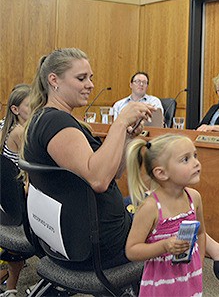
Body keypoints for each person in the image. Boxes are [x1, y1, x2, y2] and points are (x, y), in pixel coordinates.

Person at [23, 48, 156, 270]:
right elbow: (99, 180)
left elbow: (114, 172)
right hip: (99, 246)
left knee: (149, 202)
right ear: (54, 80)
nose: (91, 84)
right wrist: (120, 122)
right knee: (177, 203)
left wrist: (126, 136)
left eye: (90, 78)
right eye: (81, 78)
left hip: (76, 239)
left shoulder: (47, 119)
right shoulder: (55, 123)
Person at [125, 134, 206, 296]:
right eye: (185, 159)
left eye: (195, 156)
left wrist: (199, 265)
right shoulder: (150, 207)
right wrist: (163, 246)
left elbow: (201, 233)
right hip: (160, 286)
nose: (196, 163)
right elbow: (132, 250)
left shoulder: (194, 198)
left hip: (190, 282)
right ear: (161, 173)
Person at [0, 84, 31, 297]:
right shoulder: (21, 132)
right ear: (15, 110)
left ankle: (11, 288)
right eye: (31, 105)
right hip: (23, 205)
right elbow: (31, 174)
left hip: (9, 208)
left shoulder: (6, 130)